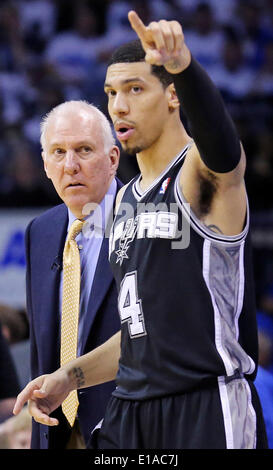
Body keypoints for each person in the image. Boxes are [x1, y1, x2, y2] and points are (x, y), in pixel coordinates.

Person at [13, 11, 268, 449]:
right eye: (111, 92)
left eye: (135, 89)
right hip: (131, 410)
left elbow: (223, 148)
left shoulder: (200, 176)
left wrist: (184, 67)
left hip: (203, 405)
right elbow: (138, 335)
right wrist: (67, 378)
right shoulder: (124, 200)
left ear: (173, 96)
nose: (118, 106)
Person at [16, 100, 122, 449]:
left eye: (84, 150)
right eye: (58, 152)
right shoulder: (41, 231)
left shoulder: (143, 220)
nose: (71, 165)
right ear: (45, 164)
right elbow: (41, 350)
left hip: (126, 429)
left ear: (112, 159)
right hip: (56, 431)